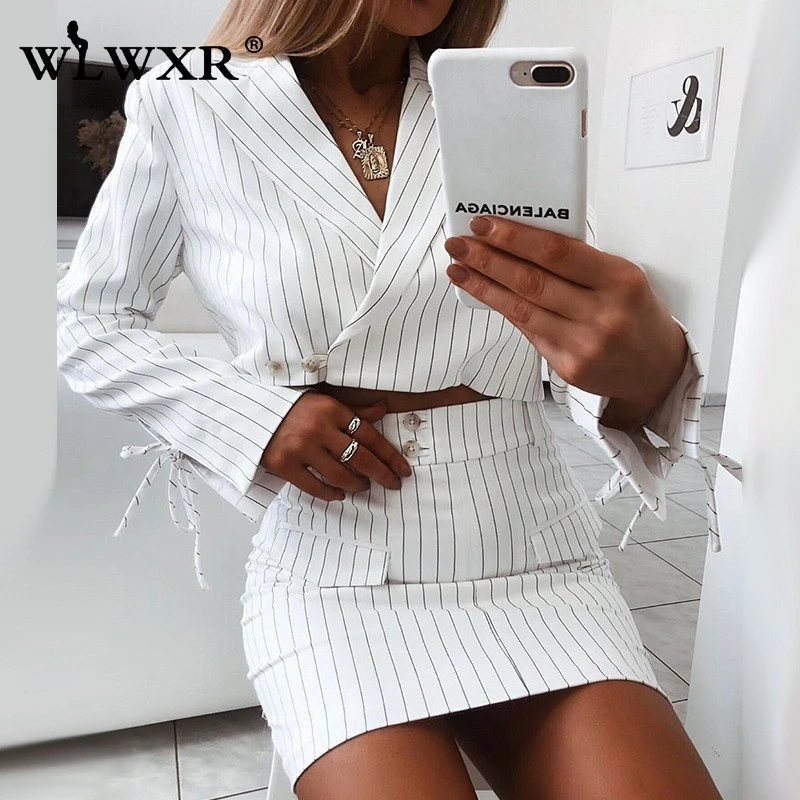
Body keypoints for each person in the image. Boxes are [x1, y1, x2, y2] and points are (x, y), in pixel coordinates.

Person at [56, 1, 731, 797]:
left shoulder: (494, 103)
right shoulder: (188, 105)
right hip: (336, 566)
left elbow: (569, 335)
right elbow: (90, 320)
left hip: (535, 552)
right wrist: (259, 420)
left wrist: (641, 371)